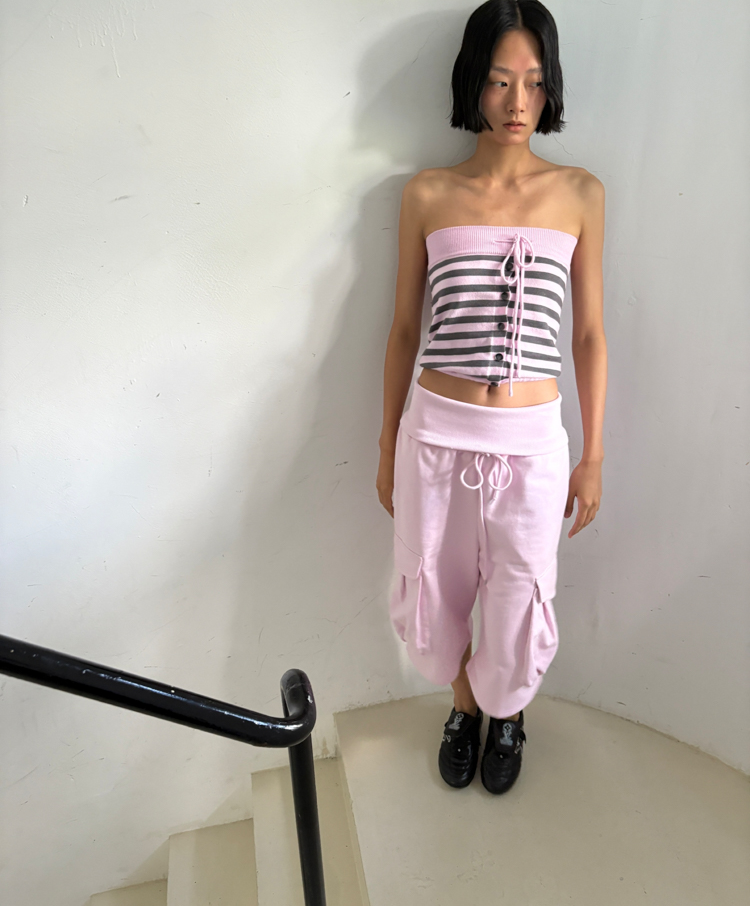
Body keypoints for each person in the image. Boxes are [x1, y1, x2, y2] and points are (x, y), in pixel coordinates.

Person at [376, 0, 607, 795]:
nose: (518, 103)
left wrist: (594, 454)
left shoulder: (580, 193)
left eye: (535, 83)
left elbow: (588, 336)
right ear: (473, 82)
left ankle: (508, 709)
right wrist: (385, 445)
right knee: (434, 585)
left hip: (533, 444)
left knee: (520, 587)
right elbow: (403, 330)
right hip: (435, 435)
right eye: (501, 81)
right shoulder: (427, 194)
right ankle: (464, 703)